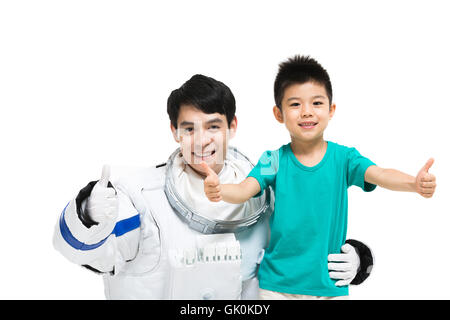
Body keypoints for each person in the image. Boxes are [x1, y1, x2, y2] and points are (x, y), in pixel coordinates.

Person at [54, 74, 374, 299]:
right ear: (174, 131)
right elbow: (87, 253)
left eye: (213, 126)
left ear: (232, 126)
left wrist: (358, 260)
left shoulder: (270, 197)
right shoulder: (138, 197)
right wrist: (88, 213)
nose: (202, 139)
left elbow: (309, 250)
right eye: (189, 128)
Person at [202, 56, 437, 300]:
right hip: (277, 286)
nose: (306, 112)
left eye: (316, 103)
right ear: (278, 113)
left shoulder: (345, 158)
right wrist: (219, 190)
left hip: (329, 285)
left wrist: (413, 184)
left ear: (331, 109)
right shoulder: (273, 159)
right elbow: (244, 190)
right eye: (295, 104)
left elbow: (380, 174)